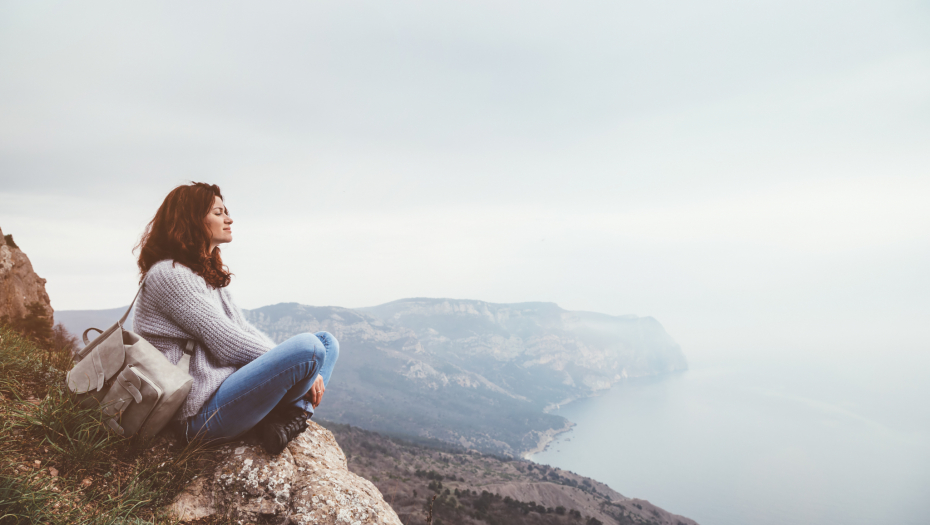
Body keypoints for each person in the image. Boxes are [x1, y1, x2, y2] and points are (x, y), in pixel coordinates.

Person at [132, 182, 339, 454]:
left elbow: (242, 329)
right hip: (195, 414)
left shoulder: (201, 274)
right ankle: (290, 414)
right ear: (191, 220)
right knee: (310, 349)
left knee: (325, 342)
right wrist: (305, 365)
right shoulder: (170, 275)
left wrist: (296, 363)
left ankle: (285, 418)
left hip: (222, 394)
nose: (228, 219)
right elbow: (227, 342)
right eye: (218, 213)